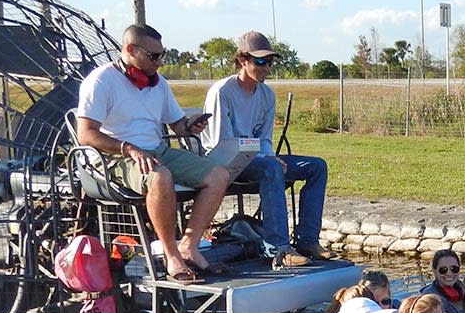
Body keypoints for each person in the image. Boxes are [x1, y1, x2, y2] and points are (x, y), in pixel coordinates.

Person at [75, 23, 229, 285]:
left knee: (219, 174)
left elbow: (177, 126)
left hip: (156, 150)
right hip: (114, 157)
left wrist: (190, 125)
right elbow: (86, 134)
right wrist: (129, 148)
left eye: (162, 55)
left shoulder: (159, 85)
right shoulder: (101, 81)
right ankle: (171, 256)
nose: (159, 62)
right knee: (159, 177)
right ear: (130, 50)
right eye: (154, 56)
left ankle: (188, 246)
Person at [201, 30, 329, 269]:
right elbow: (222, 143)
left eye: (269, 61)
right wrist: (266, 158)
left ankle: (308, 241)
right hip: (224, 163)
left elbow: (264, 138)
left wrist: (267, 155)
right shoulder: (222, 92)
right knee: (271, 167)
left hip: (257, 158)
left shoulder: (267, 95)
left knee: (316, 166)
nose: (266, 67)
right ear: (242, 60)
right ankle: (278, 249)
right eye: (260, 61)